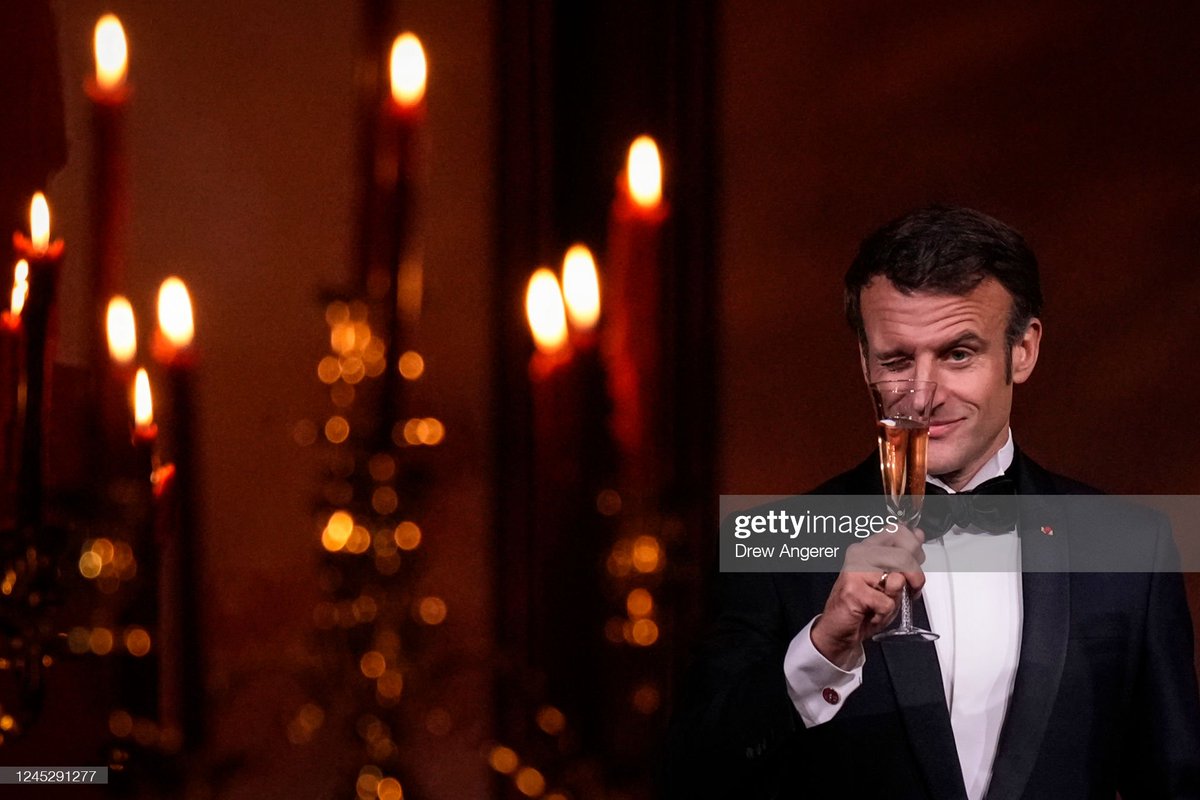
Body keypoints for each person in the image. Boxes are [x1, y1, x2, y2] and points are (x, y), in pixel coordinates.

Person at [665, 205, 1200, 799]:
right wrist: (821, 652)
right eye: (897, 360)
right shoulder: (775, 539)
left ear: (1023, 351)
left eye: (958, 354)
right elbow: (695, 775)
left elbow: (1172, 779)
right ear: (865, 361)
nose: (925, 394)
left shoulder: (1130, 544)